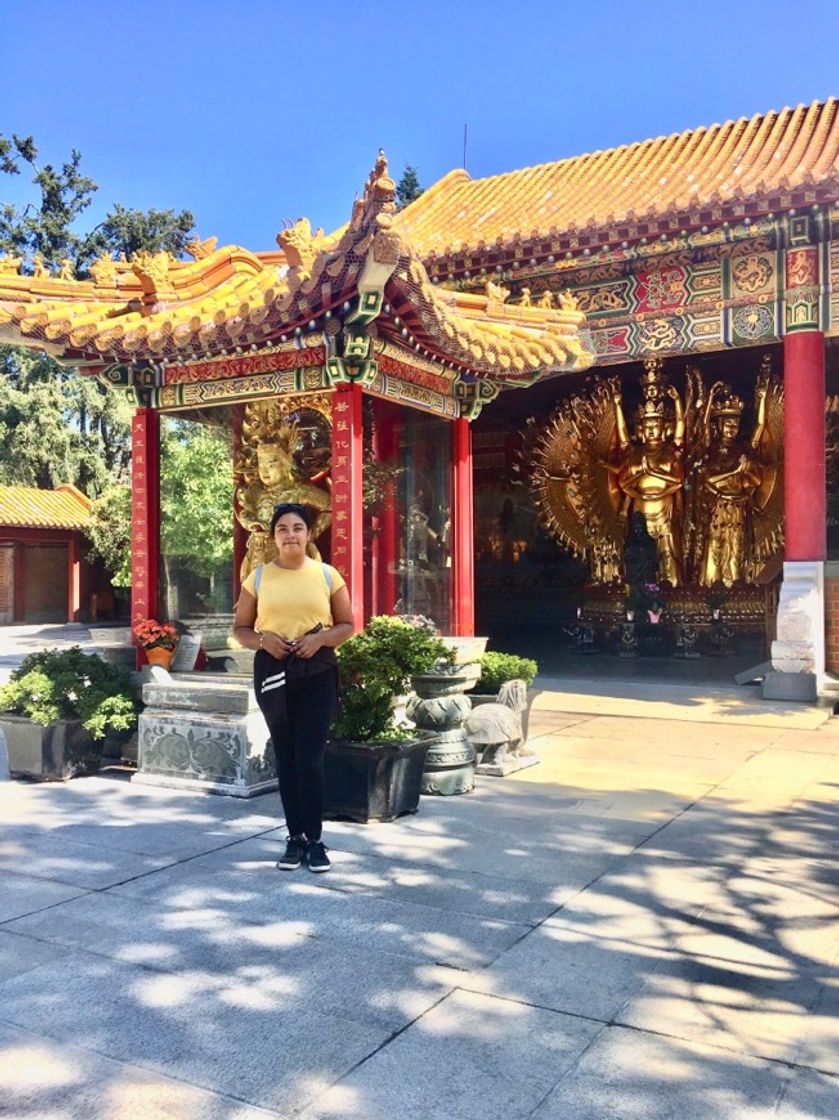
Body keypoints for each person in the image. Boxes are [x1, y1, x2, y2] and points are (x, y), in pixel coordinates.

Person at [233, 502, 354, 873]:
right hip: (274, 672)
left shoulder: (327, 574)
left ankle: (316, 841)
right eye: (282, 528)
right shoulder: (257, 577)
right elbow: (240, 629)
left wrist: (320, 641)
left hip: (316, 672)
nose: (290, 534)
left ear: (308, 533)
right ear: (273, 536)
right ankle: (294, 838)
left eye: (297, 527)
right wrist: (263, 640)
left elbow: (347, 624)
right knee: (286, 758)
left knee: (310, 759)